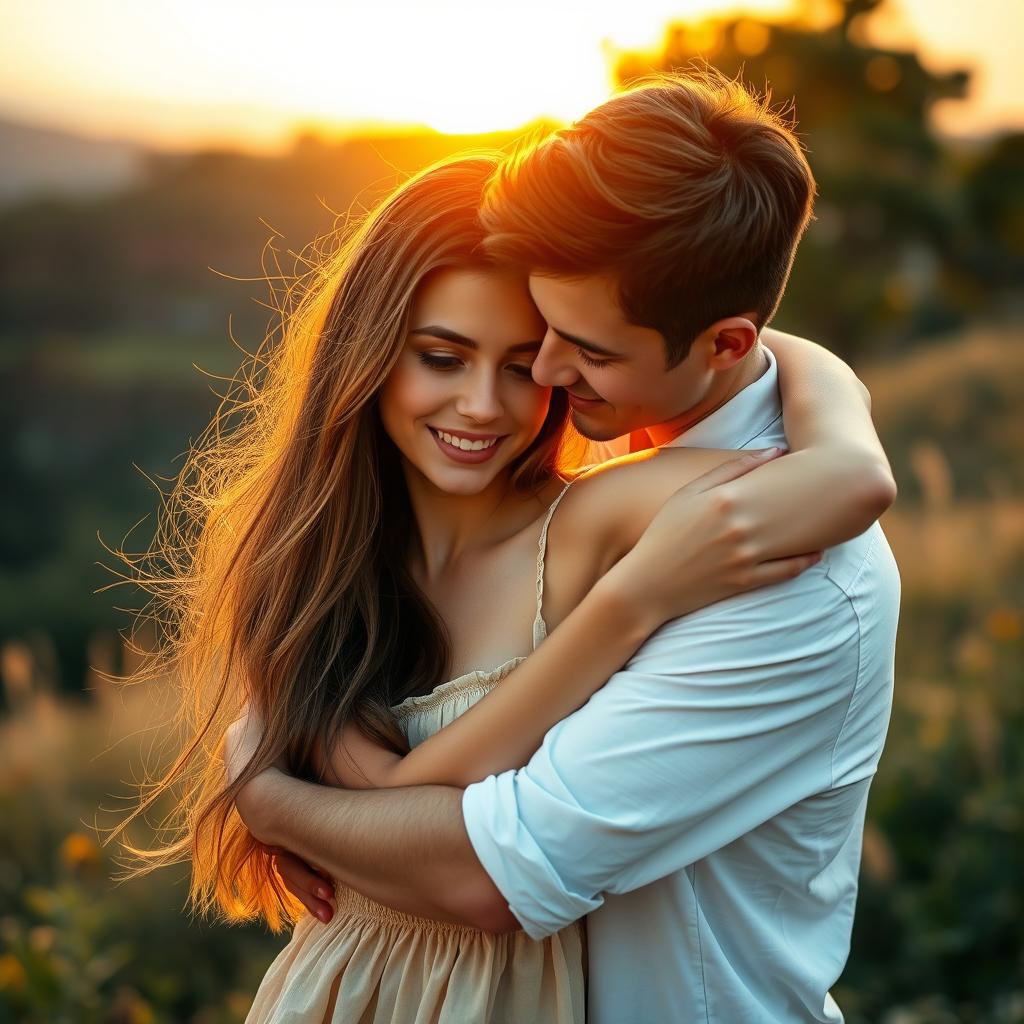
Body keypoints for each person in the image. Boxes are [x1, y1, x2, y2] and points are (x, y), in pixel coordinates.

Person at [229, 72, 900, 1023]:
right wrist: (837, 405)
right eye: (444, 355)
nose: (538, 378)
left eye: (572, 347)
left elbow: (491, 876)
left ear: (722, 344)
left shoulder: (785, 563)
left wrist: (268, 797)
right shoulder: (636, 413)